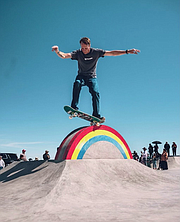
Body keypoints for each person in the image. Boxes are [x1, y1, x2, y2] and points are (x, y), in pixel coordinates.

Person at [52, 37, 140, 119]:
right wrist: (57, 51)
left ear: (89, 46)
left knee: (95, 93)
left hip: (91, 77)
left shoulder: (96, 52)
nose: (84, 50)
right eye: (82, 48)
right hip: (81, 76)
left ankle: (96, 115)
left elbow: (112, 53)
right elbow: (64, 56)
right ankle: (73, 108)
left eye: (86, 48)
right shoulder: (78, 53)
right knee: (77, 84)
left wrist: (127, 51)